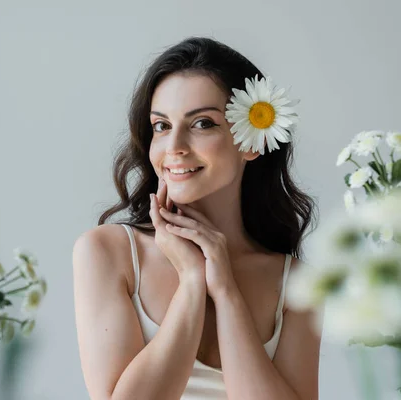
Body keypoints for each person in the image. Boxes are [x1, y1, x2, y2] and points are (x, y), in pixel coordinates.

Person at [73, 36, 321, 400]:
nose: (174, 147)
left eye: (202, 123)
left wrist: (226, 292)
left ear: (251, 142)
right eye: (161, 126)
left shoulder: (295, 283)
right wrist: (191, 281)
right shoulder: (108, 253)